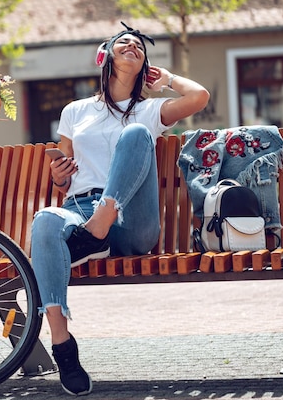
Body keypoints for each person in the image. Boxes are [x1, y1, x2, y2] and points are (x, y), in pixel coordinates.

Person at [30, 23, 210, 396]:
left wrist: (170, 78)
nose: (133, 45)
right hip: (80, 209)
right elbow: (63, 175)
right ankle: (62, 344)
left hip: (131, 220)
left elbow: (199, 97)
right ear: (106, 56)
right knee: (45, 219)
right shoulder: (75, 111)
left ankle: (100, 228)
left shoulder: (149, 110)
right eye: (123, 42)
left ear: (145, 67)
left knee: (136, 133)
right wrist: (58, 175)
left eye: (140, 47)